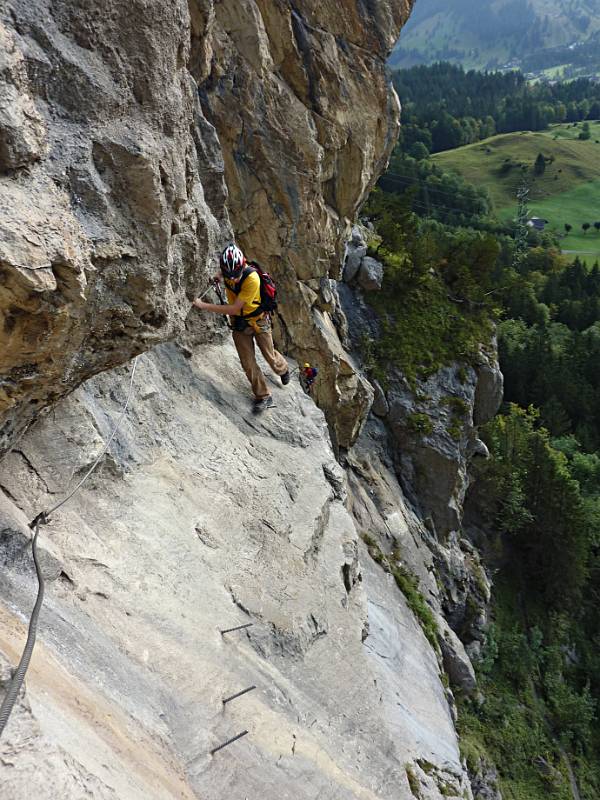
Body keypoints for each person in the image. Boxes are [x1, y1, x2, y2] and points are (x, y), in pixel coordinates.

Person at [193, 245, 290, 412]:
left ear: (242, 264)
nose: (234, 279)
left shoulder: (252, 279)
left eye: (236, 276)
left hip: (258, 321)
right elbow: (224, 273)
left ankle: (282, 368)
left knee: (270, 357)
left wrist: (203, 305)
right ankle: (263, 396)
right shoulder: (229, 269)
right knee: (248, 363)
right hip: (239, 323)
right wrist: (218, 276)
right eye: (230, 275)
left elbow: (234, 309)